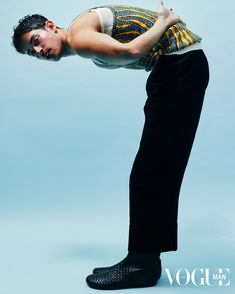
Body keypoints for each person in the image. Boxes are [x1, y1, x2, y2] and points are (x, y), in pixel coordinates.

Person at [12, 0, 209, 290]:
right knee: (153, 170)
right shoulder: (84, 40)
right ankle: (144, 261)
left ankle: (141, 265)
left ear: (51, 26)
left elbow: (131, 51)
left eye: (37, 40)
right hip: (176, 70)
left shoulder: (79, 38)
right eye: (33, 52)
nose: (39, 51)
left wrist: (163, 22)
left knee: (151, 173)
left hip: (180, 67)